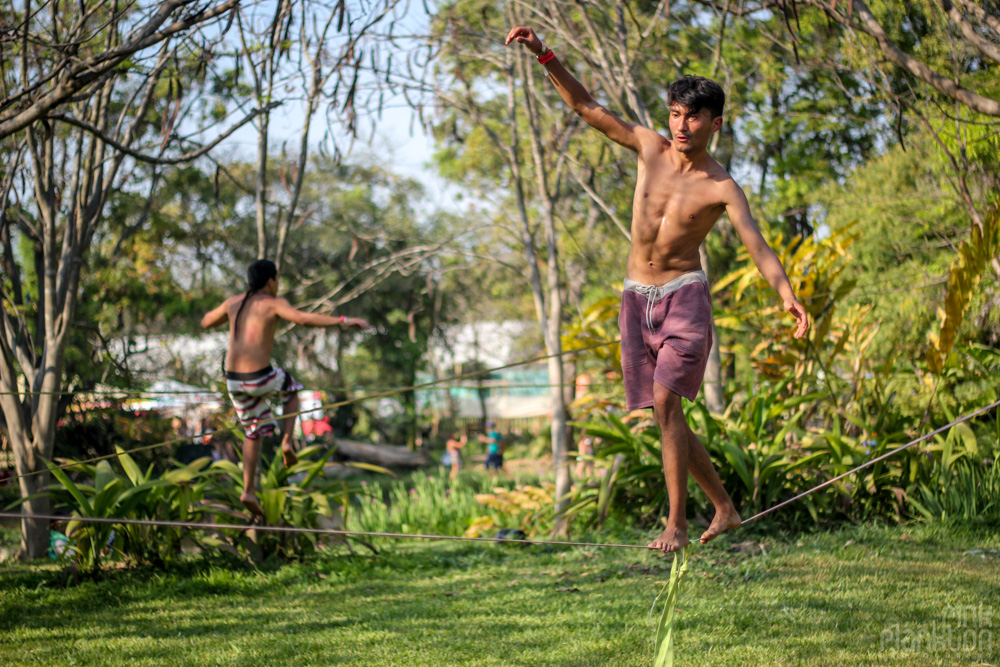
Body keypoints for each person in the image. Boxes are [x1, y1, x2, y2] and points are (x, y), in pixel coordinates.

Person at [505, 27, 810, 553]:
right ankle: (725, 507)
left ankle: (677, 524)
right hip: (634, 297)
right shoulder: (648, 147)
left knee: (667, 401)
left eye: (693, 116)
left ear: (716, 122)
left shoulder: (722, 187)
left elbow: (757, 246)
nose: (681, 125)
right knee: (665, 412)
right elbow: (586, 108)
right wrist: (544, 54)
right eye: (675, 113)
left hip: (684, 296)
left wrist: (785, 292)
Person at [201, 259, 370, 516]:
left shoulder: (234, 302)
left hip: (233, 380)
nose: (277, 285)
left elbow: (205, 322)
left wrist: (226, 315)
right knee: (292, 389)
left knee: (252, 432)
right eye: (277, 280)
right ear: (270, 281)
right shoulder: (272, 303)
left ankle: (247, 491)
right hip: (258, 376)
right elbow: (302, 319)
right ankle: (288, 441)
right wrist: (343, 320)